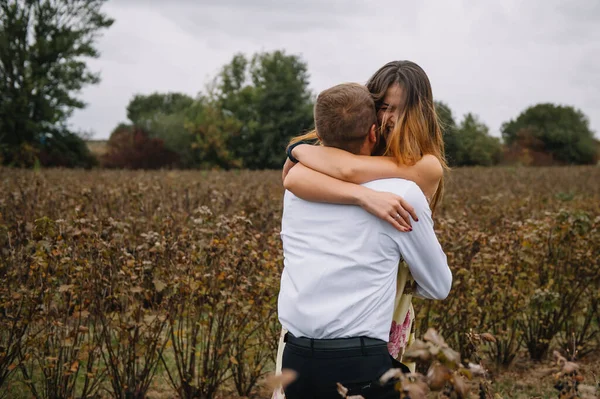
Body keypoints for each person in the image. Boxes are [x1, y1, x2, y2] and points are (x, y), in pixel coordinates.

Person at [277, 82, 451, 399]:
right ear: (374, 132)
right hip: (360, 363)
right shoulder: (402, 194)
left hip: (295, 358)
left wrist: (298, 150)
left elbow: (294, 172)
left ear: (318, 133)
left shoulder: (299, 187)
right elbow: (438, 286)